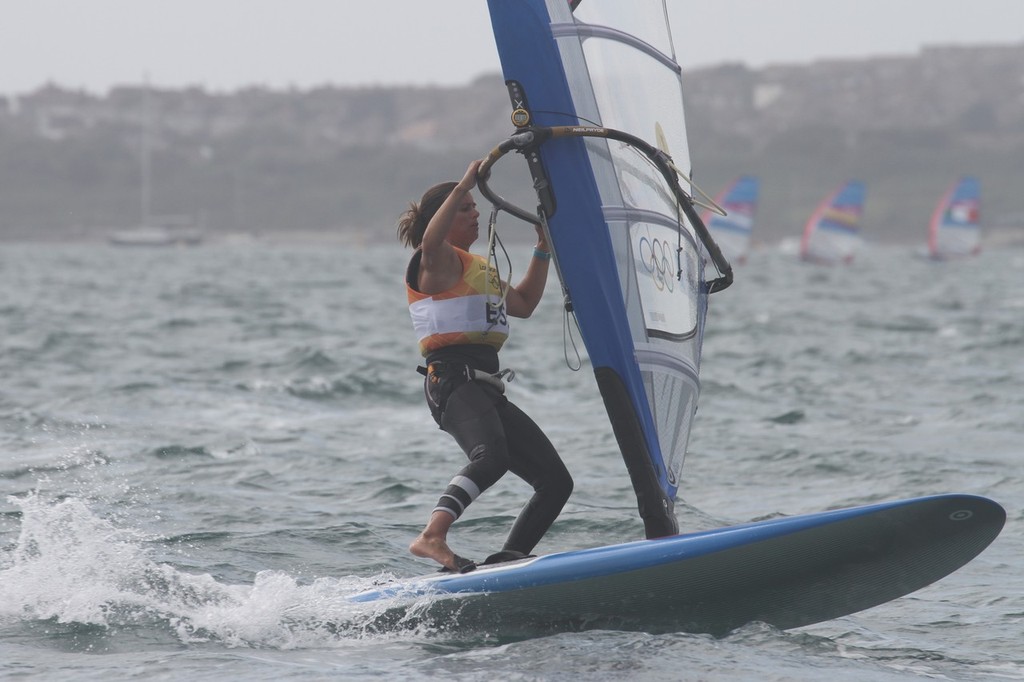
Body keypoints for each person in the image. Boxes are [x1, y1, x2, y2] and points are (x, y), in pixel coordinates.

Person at [397, 159, 573, 573]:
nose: (474, 212)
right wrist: (462, 185)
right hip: (451, 382)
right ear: (443, 218)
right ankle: (431, 536)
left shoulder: (481, 269)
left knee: (555, 482)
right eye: (465, 208)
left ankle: (509, 559)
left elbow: (525, 304)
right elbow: (432, 240)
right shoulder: (436, 263)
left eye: (475, 206)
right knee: (489, 457)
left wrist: (543, 247)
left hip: (485, 387)